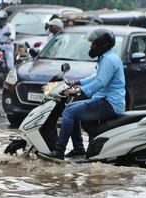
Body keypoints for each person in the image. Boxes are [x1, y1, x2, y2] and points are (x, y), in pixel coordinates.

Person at [40, 29, 125, 162]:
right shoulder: (107, 58)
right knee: (72, 109)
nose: (91, 47)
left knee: (69, 112)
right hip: (106, 101)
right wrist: (76, 82)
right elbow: (96, 76)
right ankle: (78, 149)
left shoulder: (108, 60)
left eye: (94, 44)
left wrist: (77, 91)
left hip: (109, 103)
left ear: (102, 45)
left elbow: (100, 82)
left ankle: (59, 152)